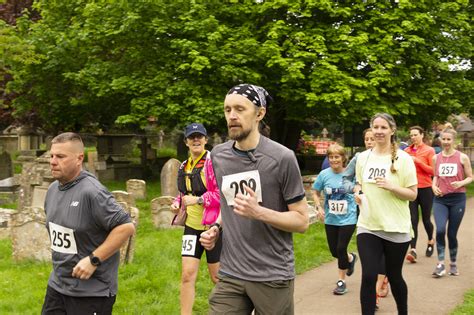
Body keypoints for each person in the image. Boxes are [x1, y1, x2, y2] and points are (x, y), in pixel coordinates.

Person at [200, 83, 309, 314]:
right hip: (231, 272)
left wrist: (259, 212)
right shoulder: (219, 155)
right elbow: (229, 205)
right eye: (227, 109)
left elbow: (302, 221)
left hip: (271, 274)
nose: (232, 116)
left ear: (260, 113)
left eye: (240, 109)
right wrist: (217, 228)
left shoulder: (282, 158)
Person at [42, 132, 135, 315]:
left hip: (91, 293)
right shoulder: (52, 189)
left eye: (60, 156)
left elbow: (126, 227)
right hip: (58, 286)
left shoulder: (92, 192)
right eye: (51, 156)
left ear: (79, 158)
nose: (53, 161)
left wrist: (93, 259)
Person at [355, 113, 417, 315]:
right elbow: (359, 184)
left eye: (383, 128)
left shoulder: (404, 159)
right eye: (376, 127)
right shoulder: (362, 158)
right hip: (368, 225)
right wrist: (357, 192)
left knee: (394, 275)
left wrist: (392, 187)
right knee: (369, 275)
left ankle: (403, 311)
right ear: (371, 129)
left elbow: (412, 194)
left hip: (395, 227)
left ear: (392, 130)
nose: (379, 131)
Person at [171, 123, 221, 315]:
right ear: (186, 142)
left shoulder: (212, 163)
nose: (196, 140)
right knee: (187, 275)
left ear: (206, 140)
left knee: (217, 278)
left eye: (200, 136)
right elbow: (183, 192)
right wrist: (177, 203)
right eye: (192, 137)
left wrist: (199, 199)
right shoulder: (185, 165)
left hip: (213, 227)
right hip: (191, 228)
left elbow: (221, 195)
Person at [342, 128, 390, 308]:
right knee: (372, 258)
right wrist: (354, 188)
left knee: (385, 254)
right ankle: (375, 293)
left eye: (372, 138)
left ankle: (382, 281)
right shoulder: (359, 158)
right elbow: (346, 179)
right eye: (367, 139)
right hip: (366, 215)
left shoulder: (392, 157)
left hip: (388, 214)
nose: (370, 141)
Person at [312, 144, 357, 296]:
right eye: (331, 157)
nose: (333, 160)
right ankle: (350, 258)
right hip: (331, 219)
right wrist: (318, 207)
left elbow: (359, 190)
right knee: (334, 251)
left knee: (340, 248)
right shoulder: (324, 175)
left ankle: (341, 281)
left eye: (337, 157)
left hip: (348, 219)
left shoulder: (351, 174)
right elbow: (315, 192)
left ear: (343, 158)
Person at [431, 128, 472, 277]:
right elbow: (435, 176)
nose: (446, 142)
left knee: (452, 233)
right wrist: (433, 186)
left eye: (449, 139)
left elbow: (470, 177)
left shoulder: (462, 158)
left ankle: (453, 263)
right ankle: (440, 263)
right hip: (440, 200)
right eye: (444, 139)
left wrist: (461, 183)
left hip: (457, 200)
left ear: (454, 140)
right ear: (440, 140)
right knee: (440, 230)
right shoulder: (436, 158)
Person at [404, 126, 436, 263]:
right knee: (413, 219)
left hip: (425, 188)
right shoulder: (406, 151)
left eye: (415, 135)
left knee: (427, 219)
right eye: (411, 135)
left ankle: (430, 240)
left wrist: (418, 161)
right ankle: (413, 249)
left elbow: (433, 171)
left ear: (422, 135)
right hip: (412, 189)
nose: (413, 137)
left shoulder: (429, 150)